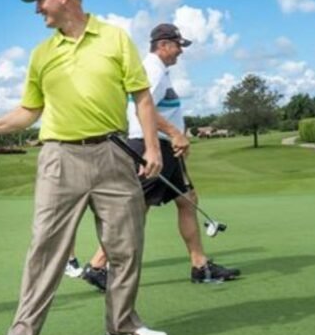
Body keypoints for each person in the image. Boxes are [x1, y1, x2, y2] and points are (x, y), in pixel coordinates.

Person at [0, 0, 168, 335]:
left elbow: (142, 98)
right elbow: (30, 111)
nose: (37, 9)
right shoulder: (41, 54)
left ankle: (123, 323)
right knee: (45, 247)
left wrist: (151, 147)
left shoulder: (115, 38)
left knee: (125, 245)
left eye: (40, 0)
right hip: (60, 158)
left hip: (113, 153)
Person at [79, 23, 240, 292]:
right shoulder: (152, 69)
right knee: (135, 211)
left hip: (164, 148)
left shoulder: (160, 71)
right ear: (163, 45)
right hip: (150, 147)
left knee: (188, 200)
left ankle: (200, 266)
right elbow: (143, 109)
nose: (180, 51)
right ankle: (97, 266)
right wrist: (175, 133)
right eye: (178, 45)